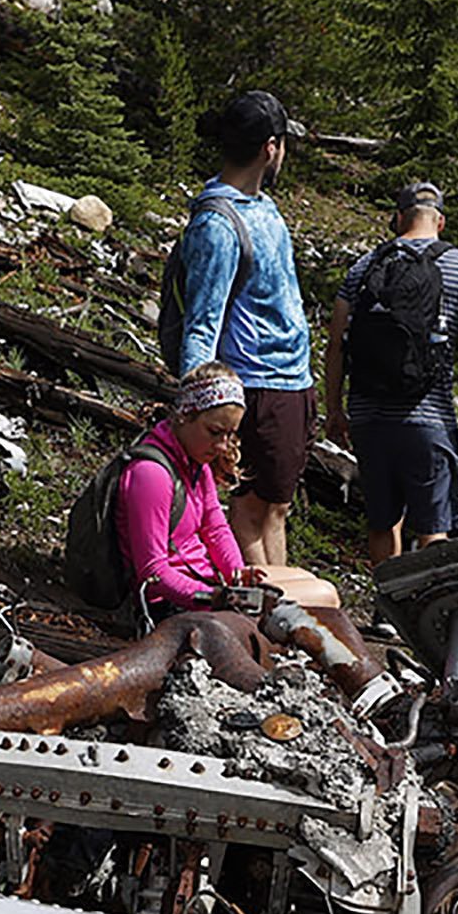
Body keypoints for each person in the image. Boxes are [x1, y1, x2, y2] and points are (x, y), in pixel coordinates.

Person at [169, 90, 314, 571]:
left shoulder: (260, 208)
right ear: (270, 148)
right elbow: (203, 319)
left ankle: (281, 616)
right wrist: (197, 405)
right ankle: (269, 617)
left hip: (287, 382)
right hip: (255, 384)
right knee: (252, 510)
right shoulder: (218, 224)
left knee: (275, 508)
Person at [321, 178, 458, 564]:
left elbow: (336, 343)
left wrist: (334, 409)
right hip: (428, 418)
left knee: (382, 523)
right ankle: (423, 615)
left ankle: (385, 615)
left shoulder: (364, 267)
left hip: (369, 417)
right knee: (433, 528)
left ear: (398, 218)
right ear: (441, 222)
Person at [118, 364, 340, 615]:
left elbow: (216, 529)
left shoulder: (196, 463)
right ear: (185, 415)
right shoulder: (150, 474)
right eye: (214, 432)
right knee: (324, 596)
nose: (223, 446)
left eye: (230, 434)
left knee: (305, 577)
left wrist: (238, 574)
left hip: (209, 583)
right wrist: (216, 597)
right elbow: (153, 571)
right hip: (178, 602)